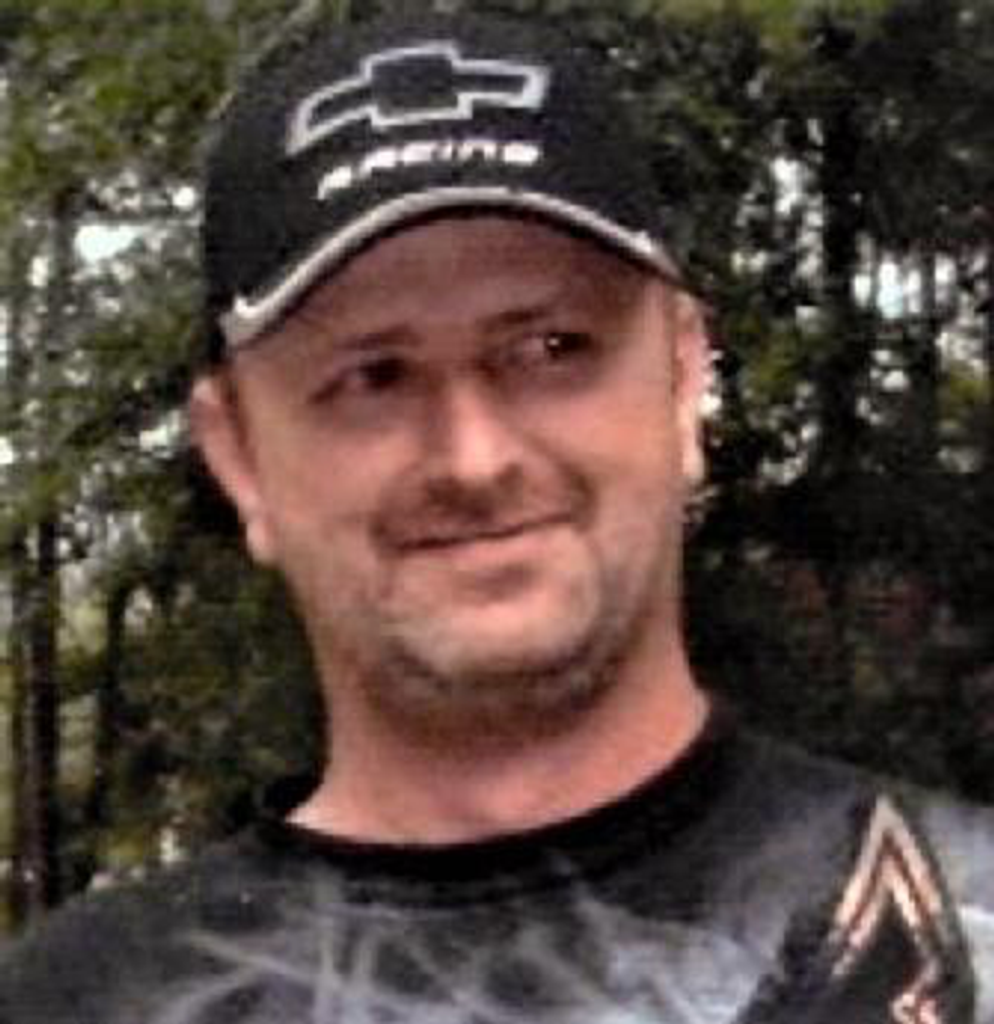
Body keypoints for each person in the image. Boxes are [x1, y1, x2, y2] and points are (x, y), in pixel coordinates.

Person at [1, 9, 992, 1024]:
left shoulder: (965, 925)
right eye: (373, 375)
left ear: (683, 376)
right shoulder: (81, 1004)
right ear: (239, 455)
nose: (475, 460)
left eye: (552, 348)